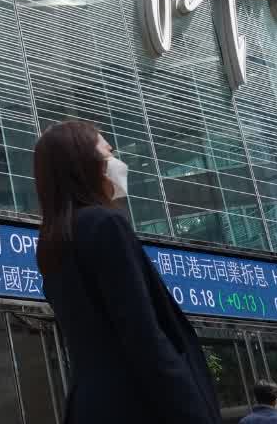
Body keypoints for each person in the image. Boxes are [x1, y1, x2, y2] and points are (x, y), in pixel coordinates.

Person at [33, 120, 221, 423]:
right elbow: (142, 333)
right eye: (109, 152)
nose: (117, 162)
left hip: (91, 406)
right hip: (138, 402)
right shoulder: (105, 224)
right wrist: (193, 412)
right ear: (86, 163)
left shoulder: (54, 241)